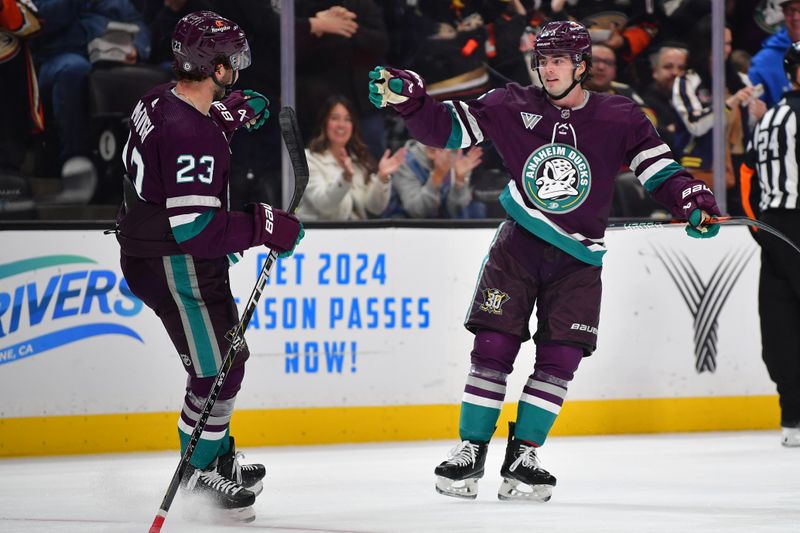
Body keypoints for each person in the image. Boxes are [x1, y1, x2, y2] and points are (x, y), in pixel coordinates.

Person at [369, 20, 721, 502]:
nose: (548, 69)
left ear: (581, 65)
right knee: (493, 346)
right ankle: (470, 451)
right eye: (543, 60)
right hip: (519, 247)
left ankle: (524, 456)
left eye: (558, 60)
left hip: (578, 261)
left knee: (560, 359)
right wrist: (409, 102)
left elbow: (660, 170)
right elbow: (445, 129)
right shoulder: (509, 105)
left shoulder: (621, 116)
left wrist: (692, 197)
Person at [115, 11, 303, 522]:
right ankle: (200, 473)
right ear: (214, 67)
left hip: (157, 252)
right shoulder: (189, 133)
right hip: (176, 266)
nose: (238, 68)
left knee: (223, 361)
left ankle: (214, 456)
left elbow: (174, 144)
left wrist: (228, 116)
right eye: (231, 61)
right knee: (218, 369)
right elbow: (195, 229)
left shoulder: (156, 98)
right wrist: (262, 226)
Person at [742, 41, 800, 448]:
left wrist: (760, 229)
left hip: (775, 227)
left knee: (780, 322)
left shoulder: (771, 118)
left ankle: (792, 418)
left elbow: (748, 175)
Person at [295, 95, 406, 221]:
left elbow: (375, 208)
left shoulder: (359, 160)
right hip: (318, 236)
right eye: (335, 118)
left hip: (354, 236)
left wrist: (382, 177)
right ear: (324, 123)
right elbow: (324, 204)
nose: (341, 125)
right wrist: (345, 177)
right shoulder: (308, 159)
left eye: (348, 119)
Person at [389, 141, 482, 219]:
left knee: (476, 210)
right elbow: (416, 211)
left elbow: (455, 211)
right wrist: (437, 176)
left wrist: (460, 181)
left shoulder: (458, 160)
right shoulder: (406, 162)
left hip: (446, 230)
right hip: (409, 228)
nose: (435, 142)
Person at [749, 0, 800, 108]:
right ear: (784, 14)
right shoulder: (763, 63)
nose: (796, 17)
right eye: (791, 11)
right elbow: (754, 112)